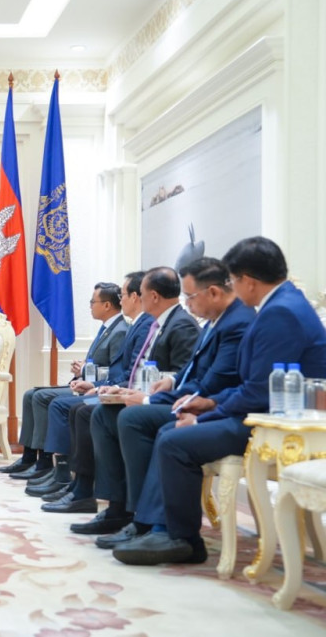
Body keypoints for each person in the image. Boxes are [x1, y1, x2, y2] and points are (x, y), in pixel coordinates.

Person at [114, 237, 326, 566]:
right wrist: (211, 405)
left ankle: (183, 540)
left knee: (175, 440)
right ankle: (163, 529)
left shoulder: (279, 313)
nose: (232, 288)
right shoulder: (281, 304)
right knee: (170, 431)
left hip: (275, 424)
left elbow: (259, 392)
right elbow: (253, 386)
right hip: (265, 413)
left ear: (248, 281)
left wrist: (203, 417)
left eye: (234, 280)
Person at [90, 257, 254, 550]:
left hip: (216, 407)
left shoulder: (235, 323)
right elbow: (192, 374)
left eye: (190, 296)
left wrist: (149, 399)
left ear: (213, 292)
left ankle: (146, 520)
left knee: (134, 418)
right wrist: (170, 383)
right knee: (106, 413)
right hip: (196, 399)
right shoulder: (214, 321)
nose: (186, 303)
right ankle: (124, 510)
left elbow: (212, 384)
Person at [65, 266, 200, 529]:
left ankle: (137, 514)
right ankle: (115, 506)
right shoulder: (161, 323)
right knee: (102, 413)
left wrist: (145, 396)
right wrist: (127, 391)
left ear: (153, 296)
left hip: (169, 403)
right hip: (139, 393)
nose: (129, 299)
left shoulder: (180, 325)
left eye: (133, 294)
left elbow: (183, 379)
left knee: (114, 415)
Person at [40, 272, 154, 513]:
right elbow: (127, 370)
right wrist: (95, 382)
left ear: (135, 297)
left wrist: (104, 385)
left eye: (123, 295)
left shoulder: (141, 326)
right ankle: (72, 482)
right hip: (115, 386)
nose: (120, 300)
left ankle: (83, 488)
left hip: (131, 394)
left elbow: (133, 372)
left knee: (80, 410)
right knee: (68, 406)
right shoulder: (137, 325)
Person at [1, 283, 128, 483]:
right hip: (85, 383)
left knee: (42, 397)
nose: (90, 306)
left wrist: (86, 374)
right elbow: (101, 363)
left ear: (107, 305)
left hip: (96, 388)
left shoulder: (120, 330)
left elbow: (116, 372)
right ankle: (28, 457)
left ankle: (44, 462)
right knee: (30, 394)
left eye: (93, 301)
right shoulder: (108, 328)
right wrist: (82, 369)